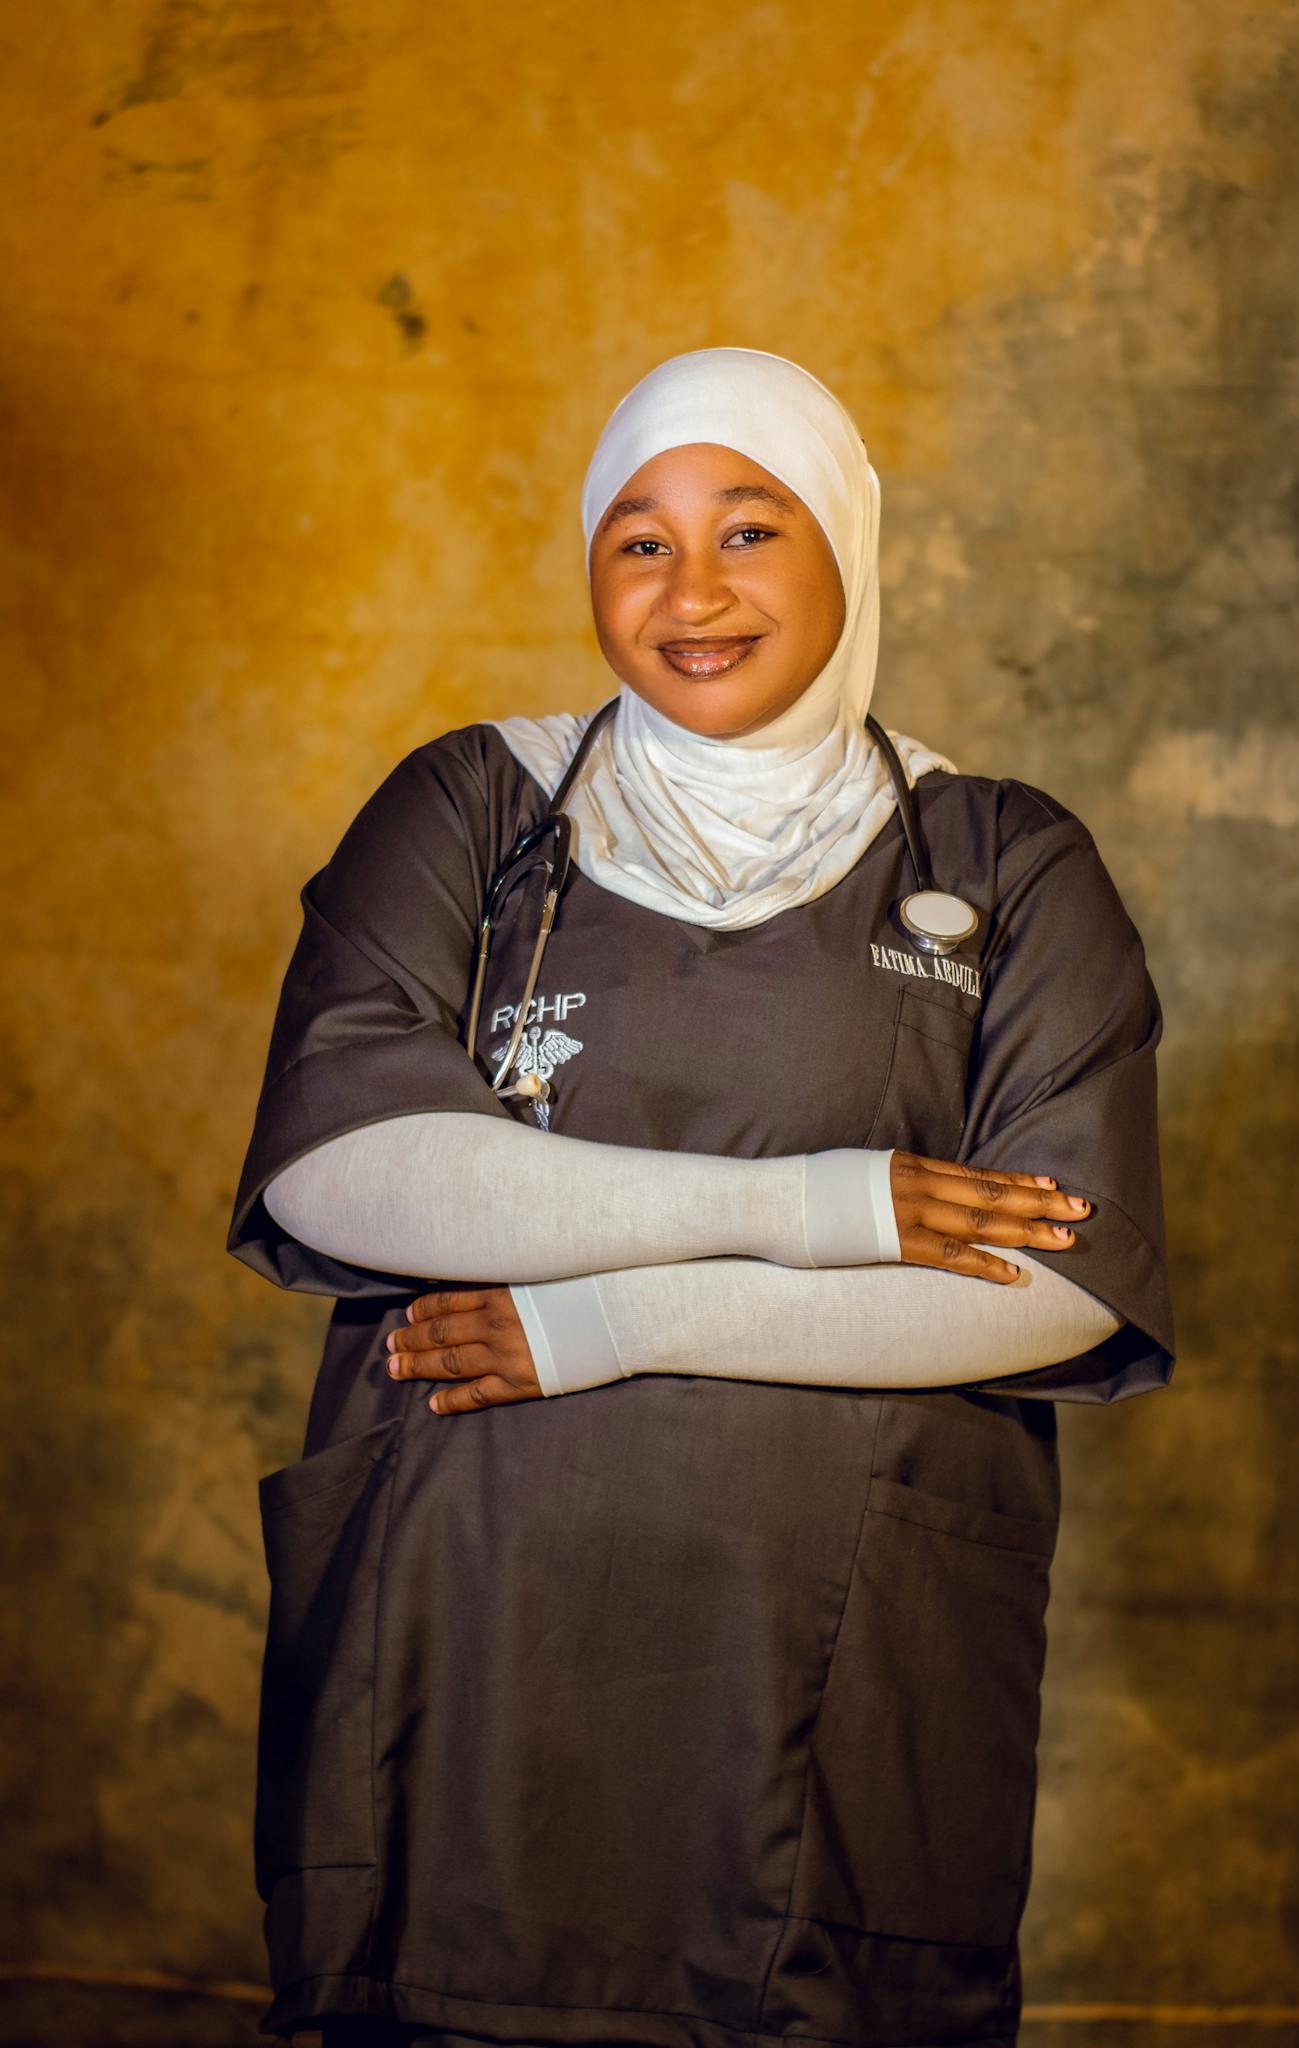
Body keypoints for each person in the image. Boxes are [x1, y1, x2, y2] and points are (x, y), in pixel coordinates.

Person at [227, 346, 1174, 2048]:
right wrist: (827, 1204)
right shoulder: (472, 809)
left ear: (847, 550)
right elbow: (349, 1164)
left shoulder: (1002, 859)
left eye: (752, 528)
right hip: (474, 1623)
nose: (694, 593)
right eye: (638, 542)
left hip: (832, 1668)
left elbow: (1059, 1278)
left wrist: (605, 1322)